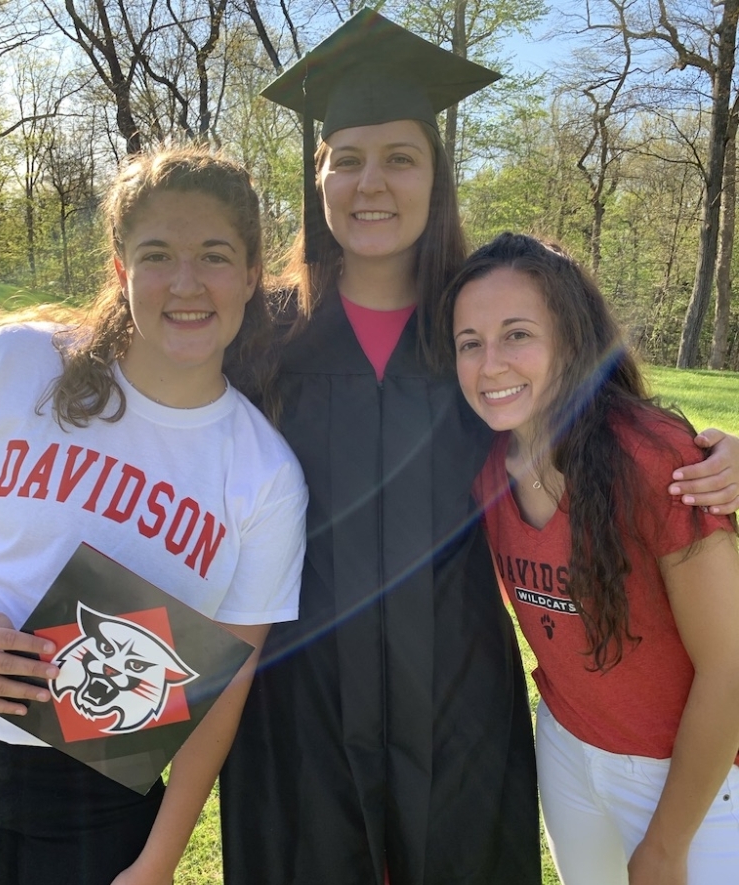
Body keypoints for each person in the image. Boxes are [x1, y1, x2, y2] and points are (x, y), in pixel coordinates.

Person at [220, 9, 739, 885]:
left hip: (455, 701)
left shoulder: (474, 330)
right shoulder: (264, 335)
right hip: (297, 700)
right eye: (346, 157)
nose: (370, 182)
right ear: (317, 177)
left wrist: (720, 450)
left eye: (401, 157)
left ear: (438, 176)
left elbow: (604, 420)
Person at [0, 146, 307, 885]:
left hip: (94, 805)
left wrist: (158, 860)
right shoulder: (19, 365)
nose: (186, 283)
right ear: (120, 266)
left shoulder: (264, 475)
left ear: (254, 273)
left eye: (216, 255)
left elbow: (221, 690)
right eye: (157, 253)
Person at [442, 231, 739, 885]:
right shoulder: (487, 467)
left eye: (517, 334)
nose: (490, 364)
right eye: (470, 343)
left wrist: (665, 845)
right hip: (568, 751)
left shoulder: (653, 456)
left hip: (693, 778)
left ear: (571, 340)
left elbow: (731, 663)